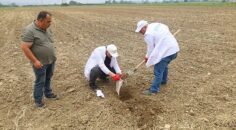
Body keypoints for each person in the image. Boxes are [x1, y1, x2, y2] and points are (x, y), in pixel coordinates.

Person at [21, 11, 58, 107]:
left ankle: (48, 93)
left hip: (50, 60)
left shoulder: (47, 28)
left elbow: (48, 42)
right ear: (40, 20)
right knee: (40, 81)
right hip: (40, 63)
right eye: (48, 21)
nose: (50, 24)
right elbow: (25, 47)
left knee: (48, 78)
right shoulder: (30, 30)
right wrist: (35, 61)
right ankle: (38, 101)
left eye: (50, 21)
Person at [135, 20, 180, 95]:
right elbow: (166, 27)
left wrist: (147, 57)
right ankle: (163, 80)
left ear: (144, 27)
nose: (140, 32)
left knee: (158, 69)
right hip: (174, 49)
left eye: (140, 30)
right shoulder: (155, 25)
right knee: (164, 65)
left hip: (167, 51)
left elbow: (150, 48)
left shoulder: (148, 34)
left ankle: (154, 90)